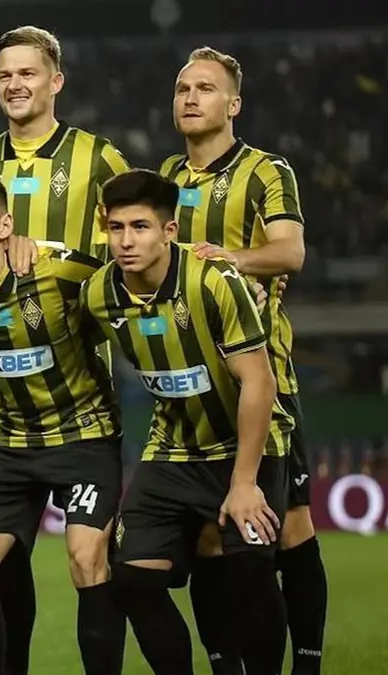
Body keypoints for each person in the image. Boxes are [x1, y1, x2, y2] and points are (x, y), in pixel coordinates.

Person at [0, 27, 130, 674]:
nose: (15, 84)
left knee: (88, 557)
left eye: (27, 73)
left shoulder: (99, 159)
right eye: (5, 74)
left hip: (77, 384)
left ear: (55, 80)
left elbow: (134, 250)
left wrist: (55, 256)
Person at [82, 168, 291, 675]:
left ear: (169, 231)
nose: (126, 241)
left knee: (251, 568)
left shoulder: (214, 281)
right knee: (132, 578)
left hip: (246, 448)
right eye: (116, 228)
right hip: (172, 448)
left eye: (140, 227)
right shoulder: (98, 294)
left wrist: (244, 483)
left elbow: (259, 382)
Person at [0, 170, 125, 675]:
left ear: (5, 225)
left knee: (86, 558)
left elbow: (134, 284)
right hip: (9, 441)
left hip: (84, 434)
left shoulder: (60, 273)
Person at [158, 46, 323, 675]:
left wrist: (228, 260)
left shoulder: (265, 170)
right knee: (209, 533)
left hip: (262, 376)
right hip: (190, 383)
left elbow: (290, 252)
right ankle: (226, 664)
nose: (190, 97)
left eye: (205, 88)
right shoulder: (166, 176)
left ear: (234, 105)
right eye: (183, 88)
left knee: (290, 528)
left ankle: (305, 664)